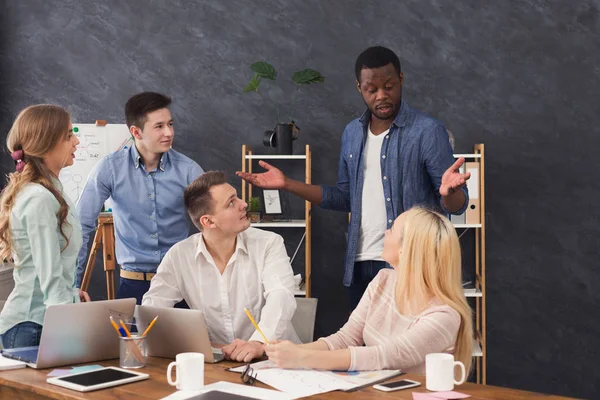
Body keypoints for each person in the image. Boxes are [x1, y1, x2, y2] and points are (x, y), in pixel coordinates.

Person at [237, 46, 470, 310]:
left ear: (401, 80)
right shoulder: (352, 134)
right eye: (372, 89)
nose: (382, 96)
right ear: (359, 88)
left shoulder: (428, 132)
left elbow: (457, 204)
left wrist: (450, 193)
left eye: (390, 86)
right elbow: (345, 197)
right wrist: (288, 184)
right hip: (360, 263)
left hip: (412, 264)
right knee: (362, 346)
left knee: (406, 348)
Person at [265, 207, 473, 374]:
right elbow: (345, 339)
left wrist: (301, 357)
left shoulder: (444, 316)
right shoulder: (383, 280)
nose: (385, 232)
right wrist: (284, 352)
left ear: (405, 249)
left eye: (392, 229)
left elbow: (384, 357)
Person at [142, 171, 299, 362]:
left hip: (274, 359)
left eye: (237, 197)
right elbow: (153, 308)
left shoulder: (269, 243)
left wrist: (258, 342)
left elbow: (281, 295)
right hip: (219, 364)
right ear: (208, 221)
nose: (244, 204)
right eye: (231, 202)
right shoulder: (179, 256)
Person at [76, 92, 204, 304]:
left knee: (185, 339)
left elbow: (212, 223)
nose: (169, 132)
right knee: (129, 338)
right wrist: (72, 286)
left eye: (170, 124)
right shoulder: (109, 169)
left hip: (181, 284)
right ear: (136, 131)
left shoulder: (189, 170)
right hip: (132, 286)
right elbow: (80, 225)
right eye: (159, 126)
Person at [0, 105, 89, 349]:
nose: (77, 141)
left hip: (42, 322)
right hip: (33, 327)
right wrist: (67, 315)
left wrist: (72, 295)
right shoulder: (38, 198)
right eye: (69, 135)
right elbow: (49, 276)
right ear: (47, 143)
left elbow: (49, 269)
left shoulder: (50, 190)